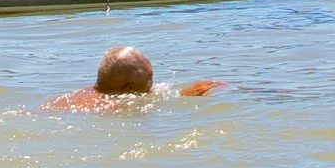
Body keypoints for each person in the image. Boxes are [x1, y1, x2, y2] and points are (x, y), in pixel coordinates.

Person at [46, 48, 224, 110]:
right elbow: (152, 103)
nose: (153, 85)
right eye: (150, 79)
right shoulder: (112, 105)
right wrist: (184, 96)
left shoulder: (80, 95)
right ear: (129, 88)